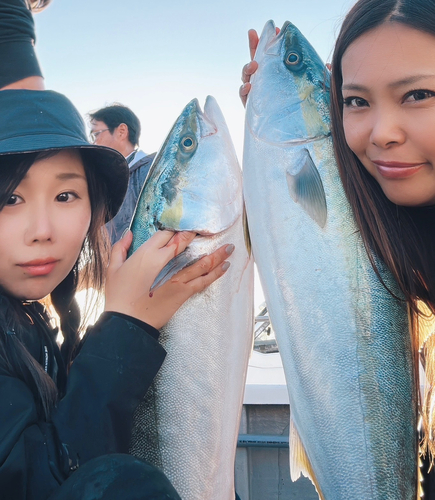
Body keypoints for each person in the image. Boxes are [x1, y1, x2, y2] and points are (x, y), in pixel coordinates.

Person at [241, 0, 435, 496]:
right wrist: (282, 111)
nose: (382, 133)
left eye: (417, 94)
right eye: (356, 101)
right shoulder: (393, 213)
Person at [89, 105, 155, 244]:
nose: (94, 142)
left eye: (96, 134)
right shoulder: (104, 182)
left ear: (121, 131)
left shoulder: (151, 171)